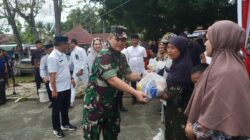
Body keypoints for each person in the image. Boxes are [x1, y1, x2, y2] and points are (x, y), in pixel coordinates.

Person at [185, 20, 250, 140]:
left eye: (209, 39)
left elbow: (216, 116)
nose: (205, 44)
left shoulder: (226, 71)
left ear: (221, 40)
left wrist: (193, 130)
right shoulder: (229, 65)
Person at [82, 26, 148, 140]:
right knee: (92, 136)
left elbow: (128, 75)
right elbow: (112, 80)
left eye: (123, 40)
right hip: (95, 106)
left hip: (111, 105)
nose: (120, 43)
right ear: (109, 38)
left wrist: (145, 75)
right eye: (117, 39)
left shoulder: (121, 56)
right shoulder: (104, 55)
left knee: (112, 135)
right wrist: (135, 93)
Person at [159, 36, 193, 140]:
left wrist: (154, 92)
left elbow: (172, 92)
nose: (169, 51)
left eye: (173, 48)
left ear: (181, 49)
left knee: (178, 134)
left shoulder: (184, 67)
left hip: (181, 108)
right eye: (168, 47)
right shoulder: (176, 63)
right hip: (173, 106)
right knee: (172, 131)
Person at [48, 36, 77, 138]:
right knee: (56, 110)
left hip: (66, 86)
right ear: (61, 44)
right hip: (58, 88)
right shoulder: (53, 57)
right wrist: (54, 91)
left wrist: (71, 79)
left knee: (65, 107)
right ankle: (56, 129)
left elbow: (66, 69)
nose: (67, 45)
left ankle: (65, 124)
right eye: (66, 44)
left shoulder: (63, 54)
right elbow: (52, 76)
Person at [126, 34, 147, 104]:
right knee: (133, 85)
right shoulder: (128, 49)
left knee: (142, 83)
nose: (134, 41)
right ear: (131, 41)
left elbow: (145, 58)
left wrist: (145, 68)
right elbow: (126, 59)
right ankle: (134, 98)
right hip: (132, 70)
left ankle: (143, 97)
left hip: (141, 69)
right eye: (133, 40)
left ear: (138, 40)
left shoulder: (142, 49)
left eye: (136, 40)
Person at [69, 39, 88, 107]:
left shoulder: (81, 50)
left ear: (73, 43)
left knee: (87, 86)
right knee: (73, 86)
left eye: (70, 43)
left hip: (83, 71)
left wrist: (82, 69)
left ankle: (86, 100)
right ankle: (71, 102)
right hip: (75, 71)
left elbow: (85, 59)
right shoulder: (72, 52)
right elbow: (70, 62)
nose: (69, 45)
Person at [40, 43, 54, 108]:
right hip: (48, 77)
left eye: (52, 49)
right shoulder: (44, 58)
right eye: (49, 50)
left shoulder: (57, 56)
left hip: (56, 77)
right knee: (49, 90)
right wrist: (43, 77)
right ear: (46, 50)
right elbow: (42, 68)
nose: (51, 51)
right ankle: (52, 101)